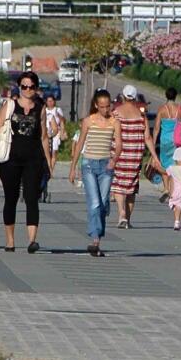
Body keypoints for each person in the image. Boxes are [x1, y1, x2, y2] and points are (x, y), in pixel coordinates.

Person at [0, 71, 53, 254]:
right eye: (24, 86)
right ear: (19, 87)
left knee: (32, 198)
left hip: (33, 159)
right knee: (11, 198)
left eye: (31, 87)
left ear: (36, 88)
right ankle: (10, 240)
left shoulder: (40, 108)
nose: (28, 90)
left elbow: (44, 136)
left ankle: (32, 240)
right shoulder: (10, 105)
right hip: (10, 160)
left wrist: (49, 159)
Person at [69, 89, 121, 257]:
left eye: (108, 106)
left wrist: (114, 159)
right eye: (103, 107)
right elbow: (80, 144)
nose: (106, 110)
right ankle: (95, 239)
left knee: (103, 203)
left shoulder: (114, 122)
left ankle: (98, 230)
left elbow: (119, 144)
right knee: (94, 203)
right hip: (89, 164)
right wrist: (73, 167)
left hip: (106, 165)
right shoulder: (88, 121)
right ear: (96, 106)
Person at [111, 84, 162, 229]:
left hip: (119, 153)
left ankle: (121, 213)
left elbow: (110, 133)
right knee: (131, 187)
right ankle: (127, 218)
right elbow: (147, 138)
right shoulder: (141, 116)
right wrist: (155, 157)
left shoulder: (116, 113)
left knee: (119, 184)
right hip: (135, 154)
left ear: (123, 96)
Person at [154, 87, 181, 203]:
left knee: (165, 164)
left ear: (166, 95)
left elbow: (156, 127)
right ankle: (172, 189)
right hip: (176, 140)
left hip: (164, 140)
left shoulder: (162, 109)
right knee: (174, 165)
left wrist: (154, 142)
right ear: (176, 96)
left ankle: (165, 188)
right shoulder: (180, 109)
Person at [43, 95, 65, 202]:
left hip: (53, 134)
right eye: (48, 101)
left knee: (53, 152)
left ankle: (50, 168)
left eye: (52, 101)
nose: (50, 103)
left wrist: (60, 132)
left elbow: (61, 121)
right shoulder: (44, 112)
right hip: (43, 136)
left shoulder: (57, 110)